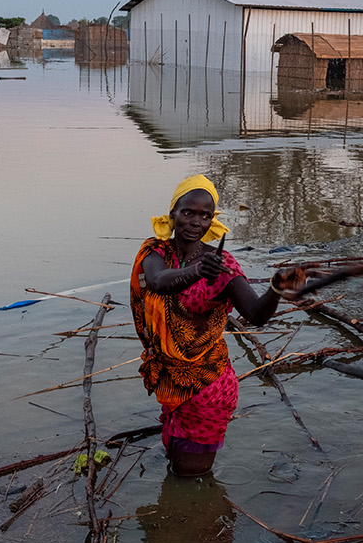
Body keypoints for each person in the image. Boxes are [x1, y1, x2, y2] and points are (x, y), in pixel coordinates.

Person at [130, 174, 303, 477]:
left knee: (189, 479)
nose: (196, 221)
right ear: (173, 214)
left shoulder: (222, 266)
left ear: (212, 222)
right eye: (188, 212)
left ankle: (203, 520)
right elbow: (158, 282)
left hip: (208, 389)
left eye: (205, 215)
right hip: (171, 381)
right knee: (177, 466)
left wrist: (276, 289)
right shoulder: (155, 252)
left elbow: (255, 314)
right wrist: (196, 271)